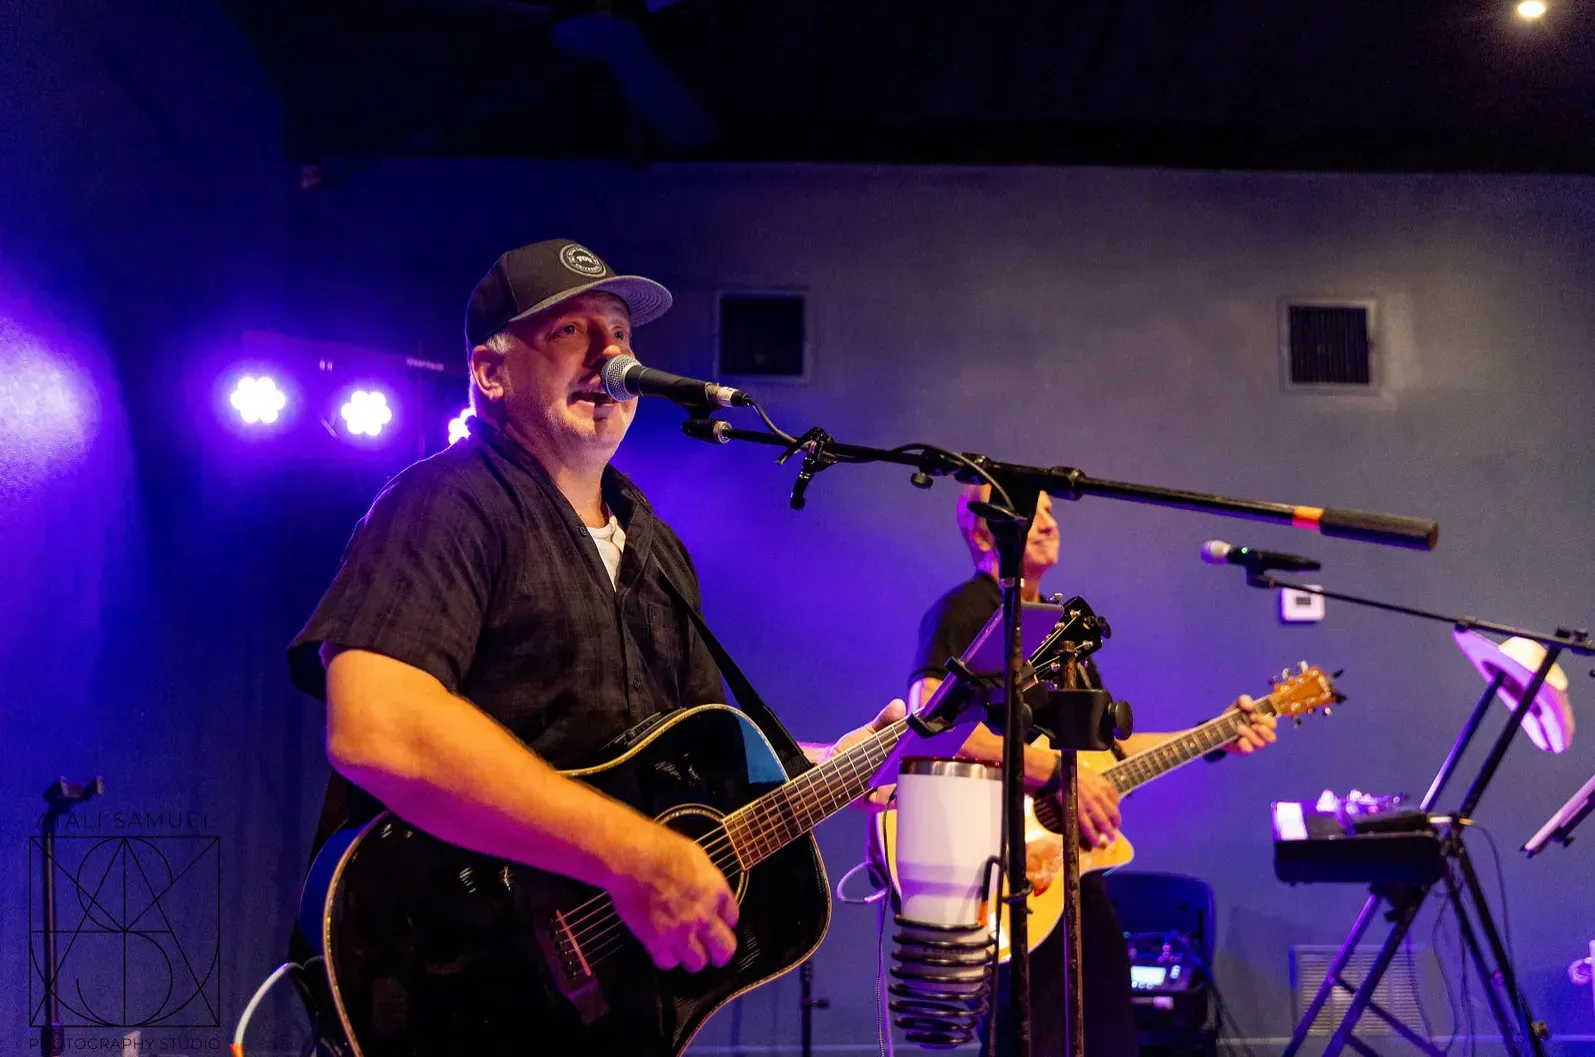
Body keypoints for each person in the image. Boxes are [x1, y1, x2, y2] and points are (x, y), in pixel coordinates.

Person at [285, 239, 903, 1050]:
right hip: (449, 976)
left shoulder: (656, 548)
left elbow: (693, 770)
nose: (609, 354)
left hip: (607, 1011)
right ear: (490, 372)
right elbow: (377, 727)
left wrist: (838, 766)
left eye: (619, 332)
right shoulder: (444, 503)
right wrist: (628, 852)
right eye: (571, 332)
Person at [908, 484, 1277, 1057]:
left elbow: (1108, 752)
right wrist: (1057, 777)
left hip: (1074, 876)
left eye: (1053, 512)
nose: (1051, 524)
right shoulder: (967, 609)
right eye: (1034, 514)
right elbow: (927, 722)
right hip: (1008, 870)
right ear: (985, 533)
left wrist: (1217, 734)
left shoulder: (1061, 628)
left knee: (1106, 1037)